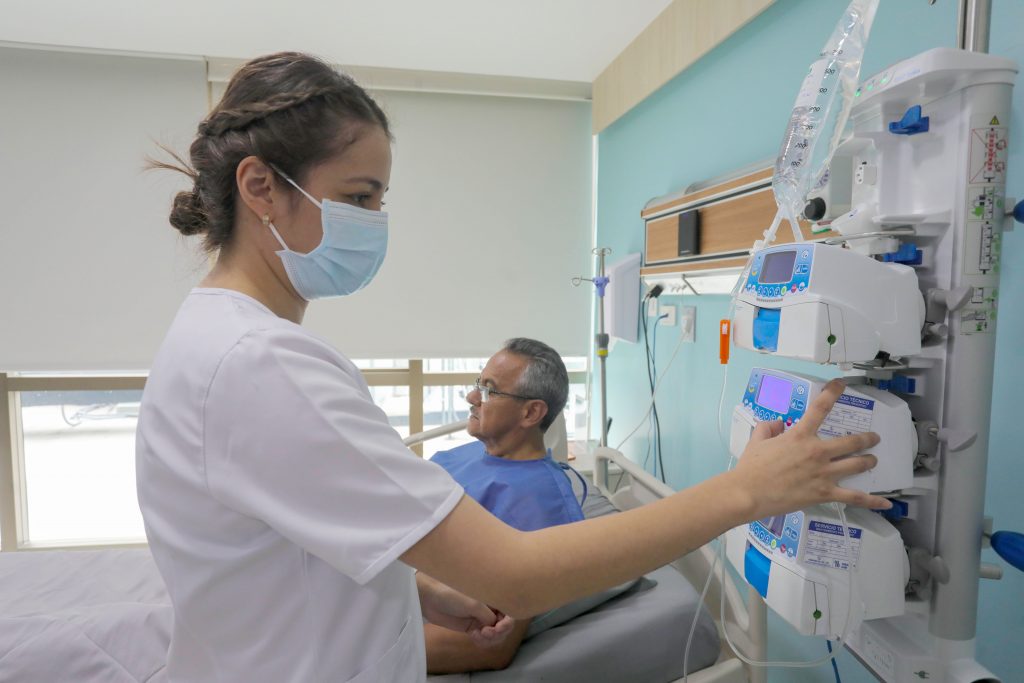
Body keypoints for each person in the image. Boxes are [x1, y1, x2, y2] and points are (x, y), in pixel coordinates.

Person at [136, 51, 889, 683]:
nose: (373, 223)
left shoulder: (214, 338)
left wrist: (418, 590)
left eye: (378, 199)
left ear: (535, 411)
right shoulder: (263, 364)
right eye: (357, 196)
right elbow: (517, 573)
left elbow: (302, 546)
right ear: (260, 187)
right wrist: (746, 490)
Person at [425, 337, 585, 674]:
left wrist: (360, 651)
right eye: (477, 384)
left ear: (531, 412)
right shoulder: (471, 452)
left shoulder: (540, 507)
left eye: (489, 391)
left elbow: (490, 648)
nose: (471, 398)